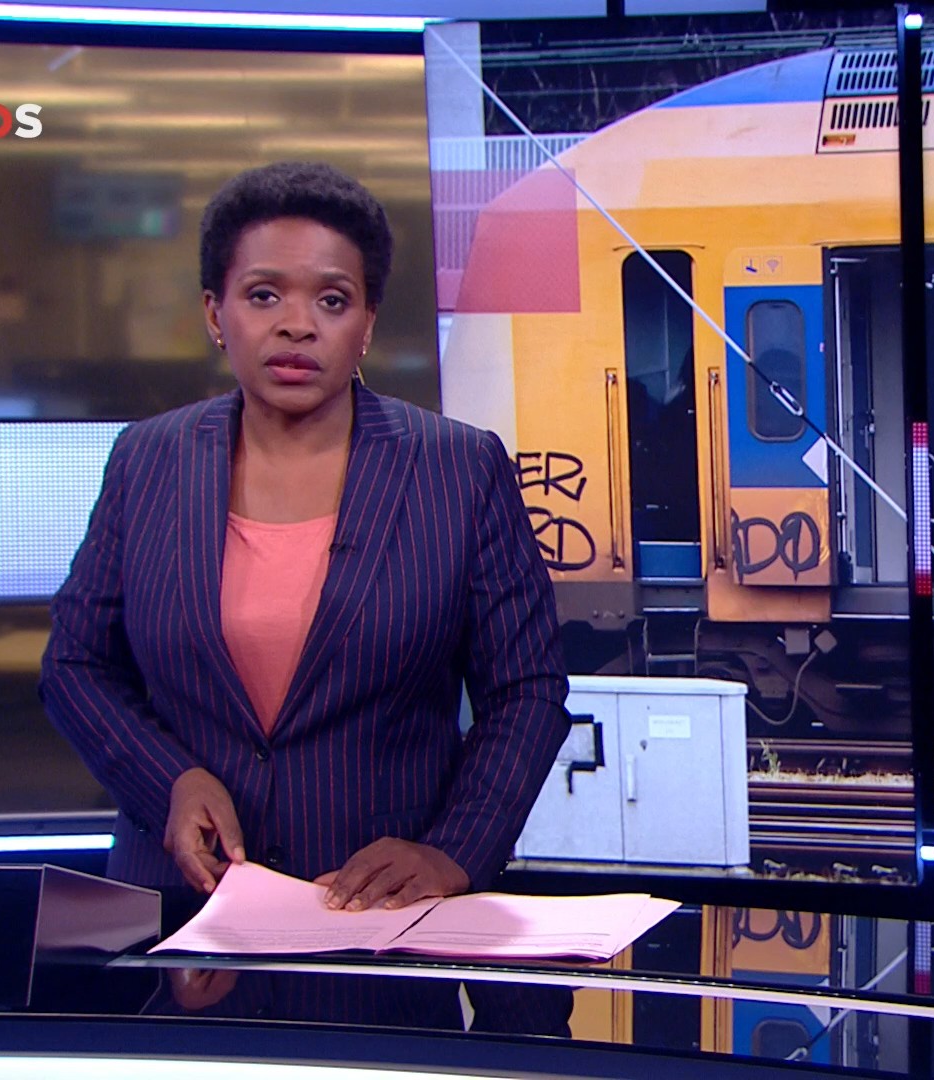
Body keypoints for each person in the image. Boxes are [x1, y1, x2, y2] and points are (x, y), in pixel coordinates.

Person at [41, 161, 572, 914]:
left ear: (367, 323)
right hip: (181, 907)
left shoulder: (459, 468)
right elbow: (75, 664)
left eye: (332, 299)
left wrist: (452, 851)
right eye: (264, 295)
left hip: (382, 913)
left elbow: (527, 690)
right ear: (215, 311)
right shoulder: (146, 459)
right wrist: (168, 783)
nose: (298, 324)